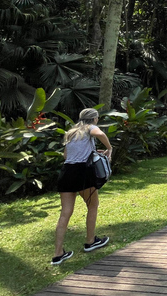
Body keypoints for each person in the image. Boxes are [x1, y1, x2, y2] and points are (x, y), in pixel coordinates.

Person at [52, 108, 112, 265]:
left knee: (65, 213)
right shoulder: (90, 128)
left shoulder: (71, 132)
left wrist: (91, 151)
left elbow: (66, 155)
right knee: (92, 205)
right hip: (82, 173)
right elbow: (100, 134)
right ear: (94, 119)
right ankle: (90, 241)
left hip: (66, 172)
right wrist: (109, 148)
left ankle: (58, 253)